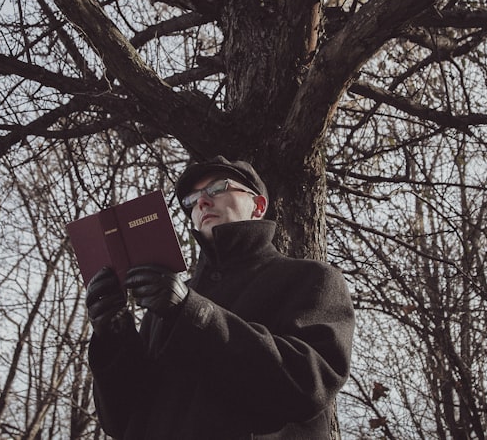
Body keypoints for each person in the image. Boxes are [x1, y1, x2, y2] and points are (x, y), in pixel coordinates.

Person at [85, 156, 355, 439]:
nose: (202, 202)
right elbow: (122, 422)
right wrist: (115, 339)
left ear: (258, 206)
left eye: (217, 188)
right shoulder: (164, 306)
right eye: (192, 199)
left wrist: (194, 314)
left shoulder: (311, 280)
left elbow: (307, 385)